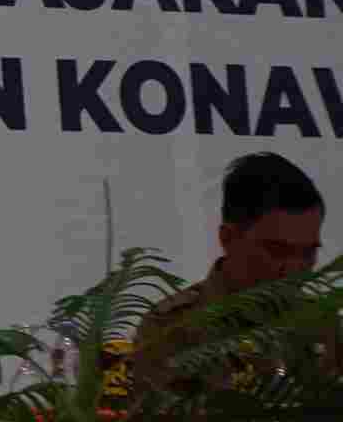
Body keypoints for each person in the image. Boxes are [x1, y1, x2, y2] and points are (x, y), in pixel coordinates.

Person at [132, 152, 326, 394]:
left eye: (308, 252)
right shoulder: (170, 329)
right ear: (228, 238)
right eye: (277, 251)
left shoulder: (323, 323)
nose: (294, 269)